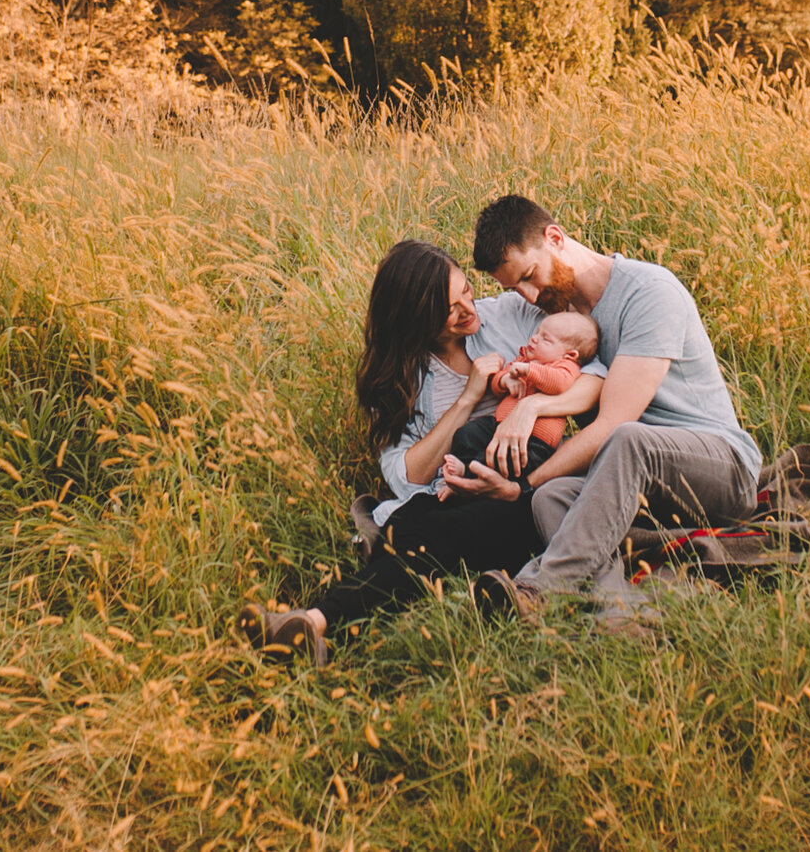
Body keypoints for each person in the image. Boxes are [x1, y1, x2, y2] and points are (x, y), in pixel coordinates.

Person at [239, 238, 605, 666]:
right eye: (448, 310)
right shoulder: (403, 375)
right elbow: (403, 475)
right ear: (413, 320)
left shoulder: (509, 316)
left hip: (522, 491)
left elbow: (594, 373)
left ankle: (316, 622)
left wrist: (533, 406)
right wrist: (467, 400)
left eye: (465, 290)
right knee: (406, 525)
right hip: (449, 489)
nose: (469, 309)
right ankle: (317, 632)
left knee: (430, 538)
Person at [445, 194, 764, 626]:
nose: (530, 295)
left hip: (720, 467)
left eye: (529, 276)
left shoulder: (648, 292)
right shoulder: (566, 319)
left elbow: (618, 423)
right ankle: (622, 616)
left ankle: (536, 588)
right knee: (550, 499)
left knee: (624, 440)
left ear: (554, 237)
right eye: (514, 288)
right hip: (637, 479)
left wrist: (520, 488)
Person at [437, 310, 599, 497]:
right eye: (537, 332)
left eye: (545, 339)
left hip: (533, 443)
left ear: (569, 354)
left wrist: (529, 370)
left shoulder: (564, 367)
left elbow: (558, 384)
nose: (535, 339)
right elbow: (497, 381)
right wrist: (505, 380)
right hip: (499, 427)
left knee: (503, 460)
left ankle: (467, 478)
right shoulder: (524, 358)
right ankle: (461, 471)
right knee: (468, 433)